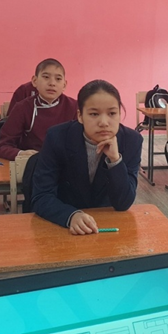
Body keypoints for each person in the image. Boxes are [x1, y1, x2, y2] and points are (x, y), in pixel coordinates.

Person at [31, 79, 142, 234]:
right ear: (80, 116)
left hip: (106, 225)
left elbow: (123, 203)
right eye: (94, 114)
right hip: (62, 226)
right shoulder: (57, 137)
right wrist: (70, 216)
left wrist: (115, 161)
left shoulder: (131, 141)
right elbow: (41, 196)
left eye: (112, 113)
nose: (104, 122)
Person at [0, 58, 77, 161]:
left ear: (64, 85)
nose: (52, 83)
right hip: (32, 163)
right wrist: (21, 153)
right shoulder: (22, 108)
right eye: (46, 77)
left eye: (58, 79)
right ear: (34, 81)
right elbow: (2, 146)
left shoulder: (75, 107)